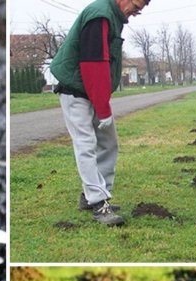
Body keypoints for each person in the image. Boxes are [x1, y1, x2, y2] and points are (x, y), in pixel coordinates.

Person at [50, 0, 149, 227]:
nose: (137, 11)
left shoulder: (113, 16)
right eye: (137, 4)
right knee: (86, 144)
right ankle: (98, 204)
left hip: (91, 92)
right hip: (76, 92)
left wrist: (102, 102)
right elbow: (93, 65)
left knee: (108, 143)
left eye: (142, 8)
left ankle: (92, 195)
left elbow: (104, 65)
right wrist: (103, 109)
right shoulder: (99, 16)